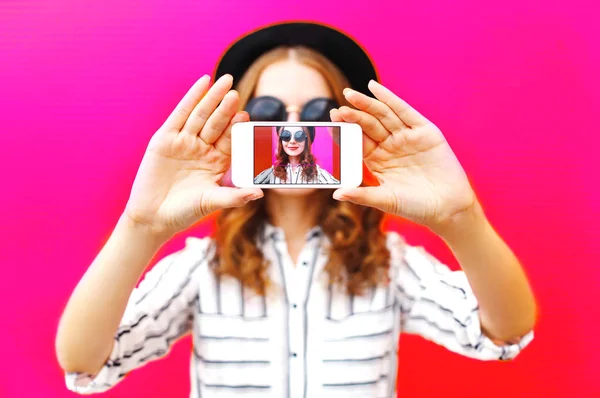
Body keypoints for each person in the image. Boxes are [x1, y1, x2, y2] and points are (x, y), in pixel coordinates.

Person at [55, 22, 537, 397]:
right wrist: (140, 226)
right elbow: (83, 360)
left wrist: (462, 216)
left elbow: (507, 329)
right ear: (237, 124)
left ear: (349, 128)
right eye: (267, 112)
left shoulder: (390, 263)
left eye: (315, 115)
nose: (292, 133)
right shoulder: (202, 269)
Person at [254, 126, 340, 184]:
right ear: (281, 140)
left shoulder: (318, 174)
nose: (292, 141)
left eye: (299, 135)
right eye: (286, 135)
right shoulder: (271, 173)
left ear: (307, 141)